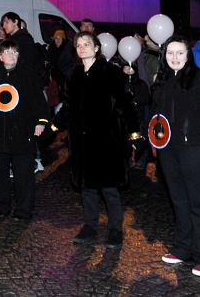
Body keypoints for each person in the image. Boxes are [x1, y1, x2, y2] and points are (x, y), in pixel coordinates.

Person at [58, 31, 141, 250]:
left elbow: (124, 102)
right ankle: (90, 227)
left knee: (109, 189)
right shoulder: (73, 74)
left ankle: (115, 230)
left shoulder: (109, 71)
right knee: (86, 187)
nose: (82, 47)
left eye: (87, 44)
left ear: (97, 48)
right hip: (80, 141)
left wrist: (134, 132)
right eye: (78, 45)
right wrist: (52, 126)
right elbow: (68, 105)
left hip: (106, 140)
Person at [150, 36, 200, 278]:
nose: (175, 58)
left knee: (199, 204)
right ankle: (183, 248)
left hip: (196, 149)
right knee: (179, 201)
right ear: (164, 55)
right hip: (169, 149)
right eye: (170, 53)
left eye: (180, 53)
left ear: (188, 55)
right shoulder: (162, 80)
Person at [0, 38, 48, 219]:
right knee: (0, 173)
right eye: (7, 52)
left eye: (14, 52)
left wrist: (41, 121)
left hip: (22, 133)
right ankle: (2, 207)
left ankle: (24, 209)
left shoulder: (28, 74)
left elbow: (38, 100)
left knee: (23, 174)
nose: (11, 55)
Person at [1, 12, 45, 87]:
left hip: (23, 82)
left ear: (16, 22)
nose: (4, 26)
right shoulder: (14, 38)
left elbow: (26, 63)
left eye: (6, 22)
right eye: (3, 23)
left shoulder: (23, 39)